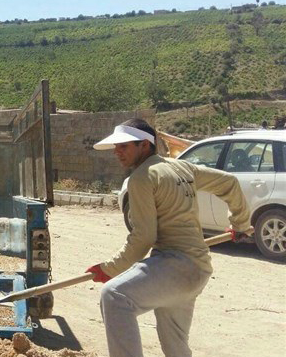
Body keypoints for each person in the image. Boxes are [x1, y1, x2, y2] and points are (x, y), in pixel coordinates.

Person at [86, 119, 250, 357]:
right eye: (116, 147)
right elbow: (230, 182)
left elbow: (143, 237)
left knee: (114, 296)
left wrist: (110, 269)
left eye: (123, 146)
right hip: (197, 269)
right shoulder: (183, 168)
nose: (117, 152)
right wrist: (240, 223)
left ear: (144, 145)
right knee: (176, 348)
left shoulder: (141, 178)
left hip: (173, 266)